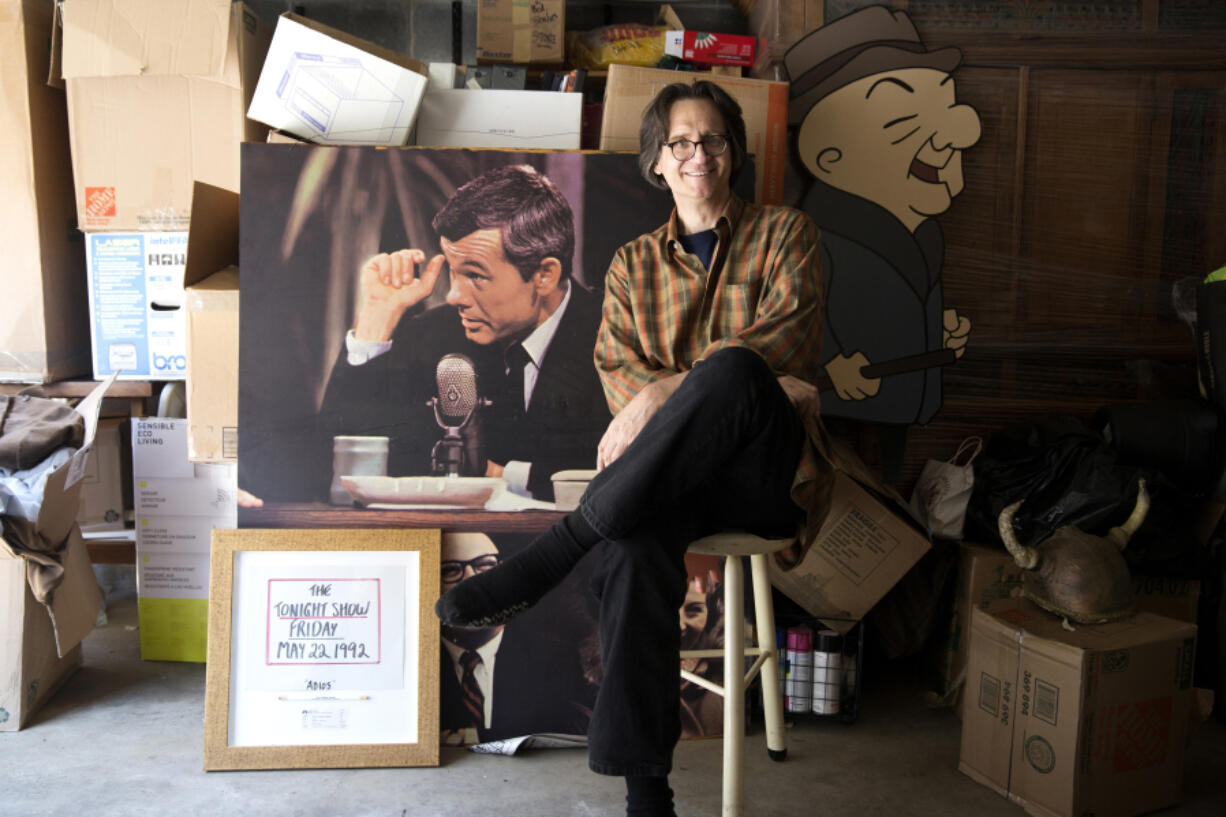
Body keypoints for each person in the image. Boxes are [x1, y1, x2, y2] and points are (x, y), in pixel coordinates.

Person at [436, 80, 824, 817]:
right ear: (657, 161)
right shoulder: (630, 265)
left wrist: (665, 389)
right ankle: (648, 794)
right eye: (680, 141)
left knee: (737, 371)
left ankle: (559, 548)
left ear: (734, 152)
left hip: (763, 473)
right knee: (636, 544)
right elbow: (618, 381)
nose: (697, 154)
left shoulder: (787, 236)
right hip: (667, 484)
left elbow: (783, 348)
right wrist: (650, 395)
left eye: (711, 139)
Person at [320, 164, 609, 501]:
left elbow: (634, 475)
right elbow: (329, 469)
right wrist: (374, 325)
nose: (453, 295)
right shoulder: (429, 338)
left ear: (544, 275)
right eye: (454, 272)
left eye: (475, 275)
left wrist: (507, 476)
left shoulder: (623, 339)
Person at [784, 6, 978, 482]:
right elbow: (795, 318)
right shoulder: (813, 235)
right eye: (904, 113)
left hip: (906, 395)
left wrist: (937, 329)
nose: (956, 130)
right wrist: (830, 363)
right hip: (839, 406)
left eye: (944, 103)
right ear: (828, 154)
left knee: (888, 494)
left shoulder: (925, 230)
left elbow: (909, 295)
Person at [439, 533, 590, 743]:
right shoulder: (417, 665)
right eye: (450, 570)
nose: (470, 578)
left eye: (485, 565)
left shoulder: (554, 660)